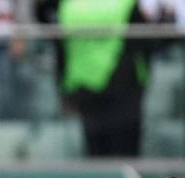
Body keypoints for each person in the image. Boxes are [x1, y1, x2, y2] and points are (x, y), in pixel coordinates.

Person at [58, 0, 147, 157]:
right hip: (122, 83)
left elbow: (61, 50)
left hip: (83, 83)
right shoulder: (125, 4)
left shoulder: (69, 5)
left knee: (96, 154)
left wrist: (64, 91)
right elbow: (146, 43)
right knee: (125, 154)